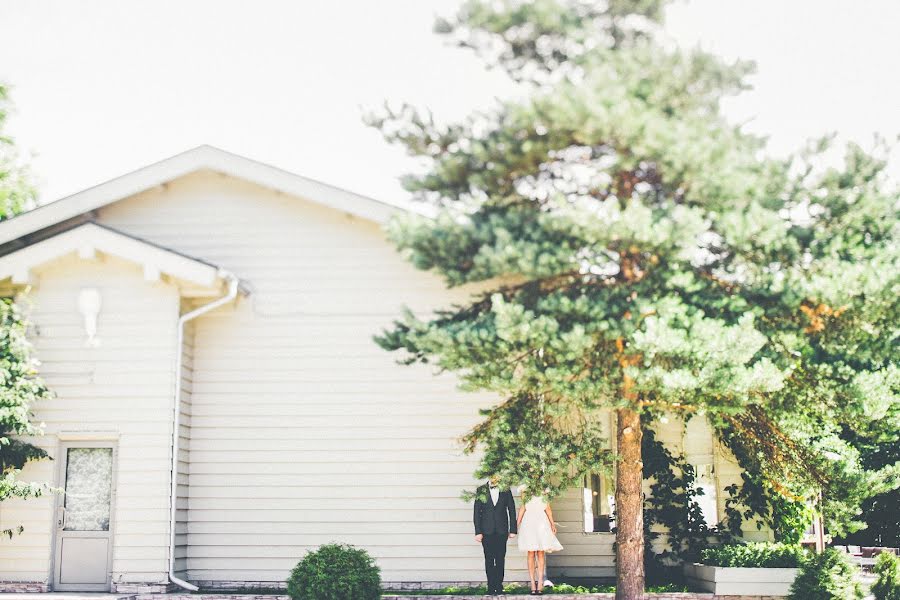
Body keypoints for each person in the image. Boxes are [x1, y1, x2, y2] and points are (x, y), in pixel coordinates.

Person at [473, 475, 517, 595]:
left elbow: (511, 509)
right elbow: (477, 512)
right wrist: (478, 531)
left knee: (500, 559)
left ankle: (499, 586)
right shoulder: (481, 490)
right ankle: (491, 587)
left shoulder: (505, 489)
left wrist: (513, 529)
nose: (494, 477)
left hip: (502, 531)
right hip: (486, 531)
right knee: (489, 559)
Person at [516, 491, 563, 595]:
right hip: (528, 522)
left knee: (541, 552)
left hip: (542, 521)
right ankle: (533, 584)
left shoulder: (544, 491)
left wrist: (552, 524)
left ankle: (540, 583)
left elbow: (548, 509)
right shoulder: (525, 491)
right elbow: (523, 508)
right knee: (531, 552)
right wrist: (516, 524)